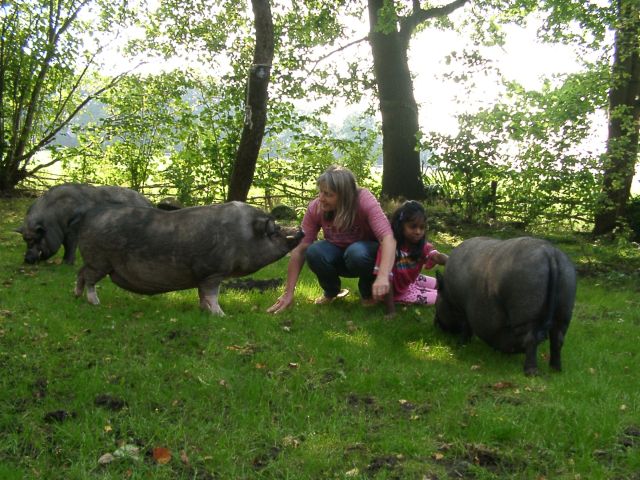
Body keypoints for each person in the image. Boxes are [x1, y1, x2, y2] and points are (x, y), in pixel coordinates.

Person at [267, 165, 396, 314]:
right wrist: (288, 293)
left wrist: (383, 276)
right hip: (339, 256)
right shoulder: (316, 207)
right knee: (313, 251)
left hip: (365, 257)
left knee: (356, 252)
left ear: (344, 195)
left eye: (328, 194)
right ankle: (332, 291)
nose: (321, 198)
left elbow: (388, 238)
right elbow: (300, 249)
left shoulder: (364, 200)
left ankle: (368, 292)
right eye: (320, 191)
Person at [375, 200, 448, 317]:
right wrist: (391, 311)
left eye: (422, 227)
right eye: (413, 227)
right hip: (397, 292)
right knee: (442, 298)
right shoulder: (390, 247)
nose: (418, 232)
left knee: (443, 284)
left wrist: (453, 261)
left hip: (410, 281)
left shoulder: (421, 246)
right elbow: (387, 279)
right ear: (401, 225)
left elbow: (436, 256)